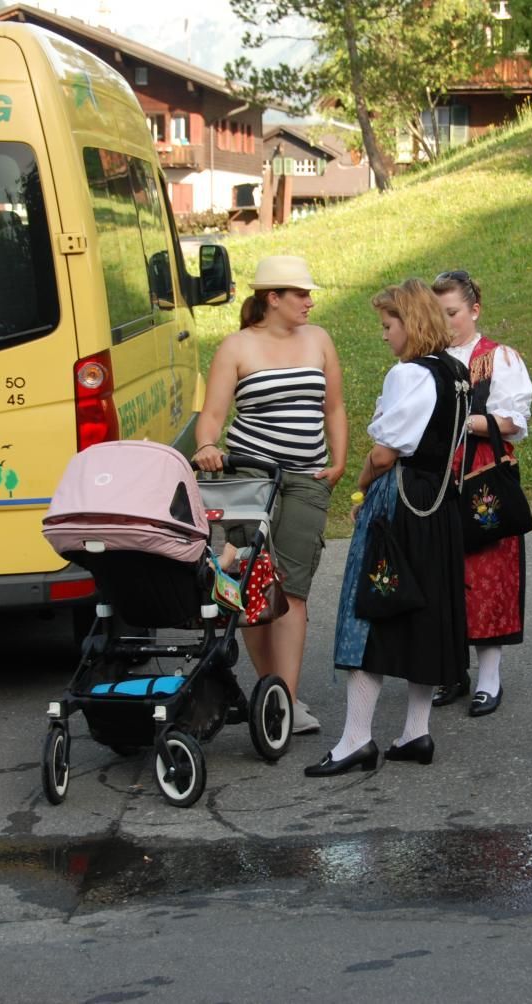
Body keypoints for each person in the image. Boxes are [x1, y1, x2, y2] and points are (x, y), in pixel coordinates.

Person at [310, 278, 470, 776]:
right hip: (439, 507)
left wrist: (359, 488)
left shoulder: (409, 375)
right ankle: (415, 733)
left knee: (371, 612)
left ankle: (357, 739)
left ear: (411, 322)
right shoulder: (457, 371)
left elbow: (385, 452)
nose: (384, 335)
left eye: (388, 325)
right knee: (424, 613)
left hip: (401, 502)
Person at [193, 255, 347, 735]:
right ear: (272, 298)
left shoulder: (319, 339)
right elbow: (213, 415)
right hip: (249, 478)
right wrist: (206, 446)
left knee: (294, 589)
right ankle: (271, 694)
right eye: (299, 294)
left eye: (309, 294)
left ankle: (286, 699)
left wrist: (338, 462)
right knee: (255, 587)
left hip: (306, 479)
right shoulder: (237, 346)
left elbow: (335, 408)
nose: (309, 301)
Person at [431, 270, 532, 717]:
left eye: (452, 312)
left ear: (474, 310)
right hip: (435, 479)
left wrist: (460, 420)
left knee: (488, 571)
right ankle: (451, 670)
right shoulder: (424, 359)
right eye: (438, 314)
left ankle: (489, 676)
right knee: (441, 570)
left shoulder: (498, 359)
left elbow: (513, 421)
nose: (445, 321)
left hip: (482, 475)